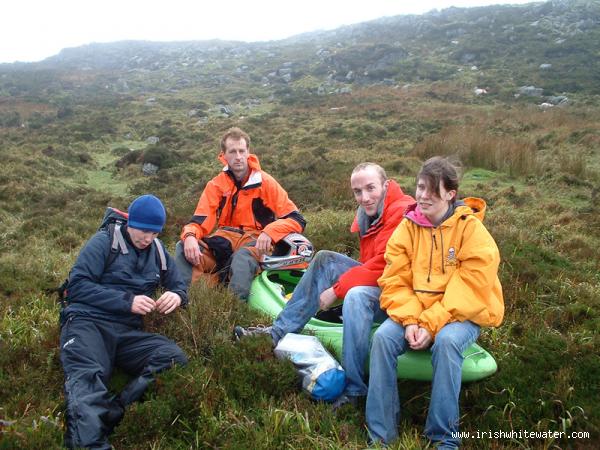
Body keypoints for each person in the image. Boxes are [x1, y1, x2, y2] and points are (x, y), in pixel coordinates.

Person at [234, 162, 415, 408]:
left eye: (370, 188)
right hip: (384, 286)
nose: (364, 197)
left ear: (386, 185)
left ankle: (354, 390)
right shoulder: (372, 213)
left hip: (400, 297)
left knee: (356, 296)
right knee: (324, 260)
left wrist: (337, 290)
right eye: (357, 192)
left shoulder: (400, 212)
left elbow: (385, 266)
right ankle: (276, 333)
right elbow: (372, 265)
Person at [366, 156, 504, 448]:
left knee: (447, 342)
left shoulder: (470, 230)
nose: (423, 196)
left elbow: (471, 287)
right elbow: (394, 279)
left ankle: (443, 438)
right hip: (416, 312)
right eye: (419, 188)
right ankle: (381, 435)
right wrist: (412, 320)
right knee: (382, 340)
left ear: (450, 194)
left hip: (461, 314)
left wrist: (430, 324)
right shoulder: (407, 227)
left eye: (431, 190)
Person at [59, 195, 188, 450]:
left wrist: (177, 295)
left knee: (172, 358)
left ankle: (114, 411)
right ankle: (90, 443)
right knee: (88, 378)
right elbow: (77, 287)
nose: (148, 238)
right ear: (131, 222)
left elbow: (179, 285)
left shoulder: (159, 251)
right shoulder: (104, 241)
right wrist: (126, 301)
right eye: (143, 231)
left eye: (155, 233)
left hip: (128, 333)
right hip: (87, 322)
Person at [176, 127, 306, 300]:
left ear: (248, 152)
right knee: (183, 247)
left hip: (255, 240)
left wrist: (270, 231)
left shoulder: (265, 182)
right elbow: (200, 221)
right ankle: (181, 299)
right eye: (232, 152)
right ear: (223, 155)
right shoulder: (216, 185)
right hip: (224, 239)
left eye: (241, 151)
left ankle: (235, 311)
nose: (238, 157)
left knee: (242, 258)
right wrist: (190, 236)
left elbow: (296, 219)